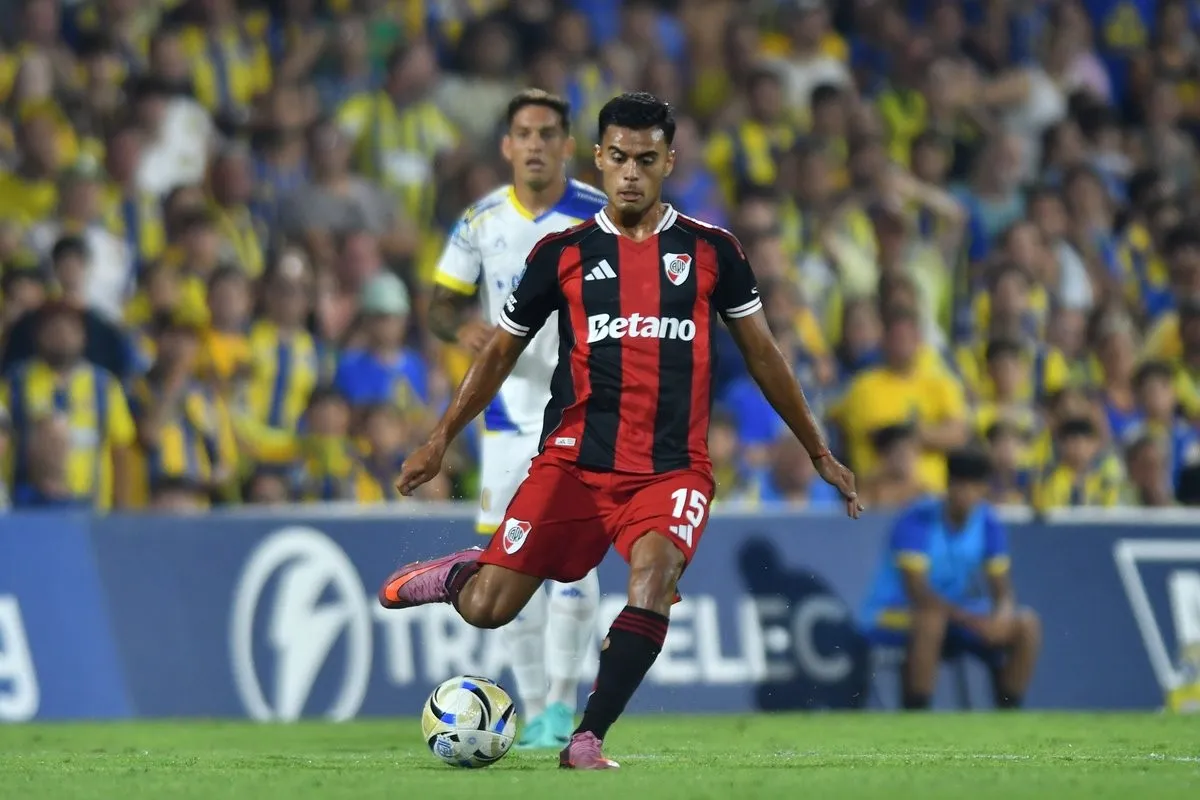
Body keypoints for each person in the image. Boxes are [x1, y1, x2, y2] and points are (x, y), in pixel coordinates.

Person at [382, 92, 860, 769]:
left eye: (645, 159)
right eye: (618, 158)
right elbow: (498, 352)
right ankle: (465, 572)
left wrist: (818, 449)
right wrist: (438, 439)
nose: (631, 172)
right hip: (574, 464)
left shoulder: (712, 251)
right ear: (599, 160)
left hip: (671, 469)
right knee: (489, 607)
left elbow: (763, 353)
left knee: (653, 580)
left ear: (669, 160)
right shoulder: (561, 255)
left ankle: (586, 737)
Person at [426, 89, 608, 750]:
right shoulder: (480, 221)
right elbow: (440, 305)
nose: (534, 144)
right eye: (523, 134)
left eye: (547, 133)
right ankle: (533, 710)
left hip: (583, 412)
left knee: (572, 563)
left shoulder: (598, 215)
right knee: (508, 564)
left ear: (565, 145)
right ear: (506, 145)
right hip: (506, 418)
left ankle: (563, 702)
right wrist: (463, 329)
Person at [859, 447, 1041, 711]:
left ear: (983, 489)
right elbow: (917, 592)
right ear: (948, 485)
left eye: (973, 486)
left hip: (955, 616)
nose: (965, 494)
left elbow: (1001, 589)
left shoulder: (988, 523)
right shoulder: (917, 519)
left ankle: (1009, 710)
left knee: (1026, 624)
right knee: (931, 619)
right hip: (893, 612)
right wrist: (973, 621)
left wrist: (1001, 616)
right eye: (959, 485)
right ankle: (916, 713)